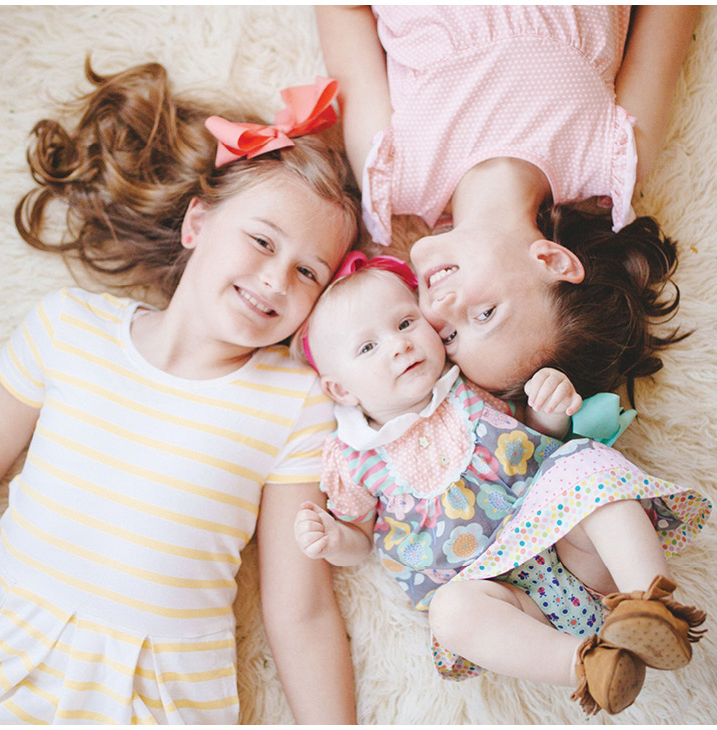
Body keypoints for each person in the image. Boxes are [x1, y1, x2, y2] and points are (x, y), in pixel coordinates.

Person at [0, 62, 362, 724]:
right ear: (197, 223)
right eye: (260, 240)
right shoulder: (67, 328)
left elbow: (299, 607)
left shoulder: (296, 401)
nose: (275, 279)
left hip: (157, 699)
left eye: (307, 271)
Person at [292, 253, 709, 716]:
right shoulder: (353, 457)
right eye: (367, 348)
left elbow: (540, 441)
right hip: (512, 606)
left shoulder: (468, 386)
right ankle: (589, 666)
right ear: (341, 391)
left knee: (583, 464)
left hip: (574, 548)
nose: (398, 346)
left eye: (407, 322)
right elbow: (360, 542)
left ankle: (651, 603)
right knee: (450, 613)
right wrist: (333, 539)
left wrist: (551, 403)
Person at [315, 5, 701, 403]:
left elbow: (345, 12)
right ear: (553, 261)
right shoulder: (616, 156)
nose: (441, 308)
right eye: (485, 314)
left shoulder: (388, 171)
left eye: (448, 336)